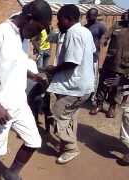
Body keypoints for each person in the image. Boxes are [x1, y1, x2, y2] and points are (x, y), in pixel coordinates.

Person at [0, 0, 52, 179]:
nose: (38, 34)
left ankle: (11, 173)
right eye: (38, 29)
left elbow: (13, 66)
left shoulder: (22, 36)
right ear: (29, 18)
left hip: (18, 102)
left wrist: (34, 76)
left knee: (33, 140)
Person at [46, 4, 96, 164]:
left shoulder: (73, 34)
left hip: (74, 86)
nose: (58, 23)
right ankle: (65, 144)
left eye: (59, 20)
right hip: (82, 84)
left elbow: (72, 62)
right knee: (70, 115)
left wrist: (53, 69)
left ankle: (71, 147)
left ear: (68, 19)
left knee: (60, 112)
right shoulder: (85, 32)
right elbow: (92, 51)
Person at [90, 11, 129, 118]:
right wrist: (103, 41)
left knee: (117, 88)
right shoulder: (118, 24)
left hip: (124, 65)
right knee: (102, 84)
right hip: (109, 61)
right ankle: (99, 105)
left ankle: (112, 107)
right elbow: (106, 35)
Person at [85, 8, 107, 104]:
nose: (90, 17)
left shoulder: (100, 26)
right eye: (89, 15)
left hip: (94, 56)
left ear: (96, 16)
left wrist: (102, 43)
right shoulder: (85, 27)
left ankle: (93, 96)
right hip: (85, 56)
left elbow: (105, 36)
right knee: (86, 76)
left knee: (94, 77)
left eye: (92, 15)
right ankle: (85, 94)